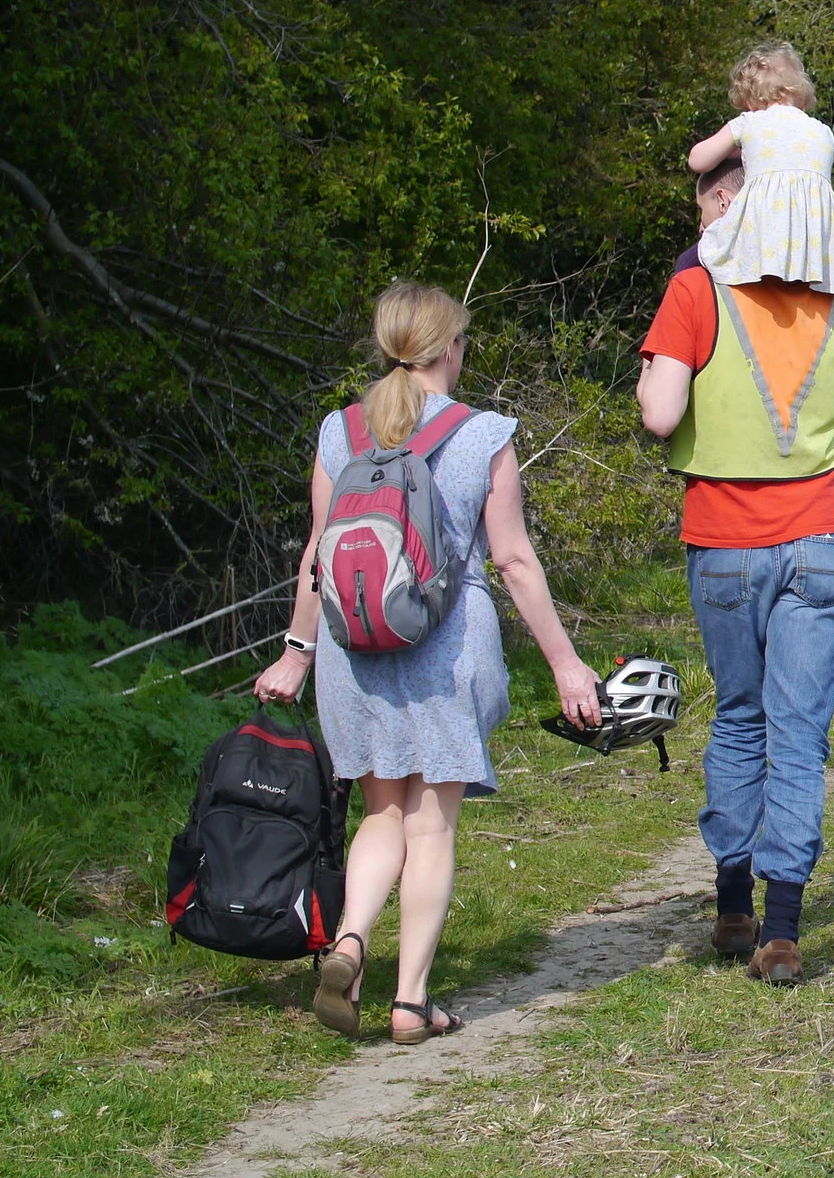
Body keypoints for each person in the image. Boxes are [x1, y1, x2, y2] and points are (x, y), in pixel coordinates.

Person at [256, 283, 600, 1043]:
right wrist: (567, 664)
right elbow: (511, 559)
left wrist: (296, 651)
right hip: (447, 648)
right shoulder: (483, 434)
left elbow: (319, 554)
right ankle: (410, 1000)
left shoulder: (339, 431)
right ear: (450, 348)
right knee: (431, 825)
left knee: (382, 810)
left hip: (355, 648)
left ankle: (350, 940)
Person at [637, 171, 834, 986]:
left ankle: (731, 900)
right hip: (820, 536)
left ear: (726, 209)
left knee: (740, 717)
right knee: (800, 733)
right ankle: (781, 929)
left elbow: (659, 414)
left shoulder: (694, 290)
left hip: (722, 542)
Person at [686, 42, 834, 294]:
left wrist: (736, 147)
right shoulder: (823, 132)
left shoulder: (751, 123)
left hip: (764, 243)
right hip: (814, 251)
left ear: (753, 97)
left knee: (708, 250)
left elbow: (697, 160)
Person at [674, 154, 743, 274]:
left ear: (722, 202)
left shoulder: (692, 264)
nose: (701, 227)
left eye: (702, 209)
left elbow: (683, 267)